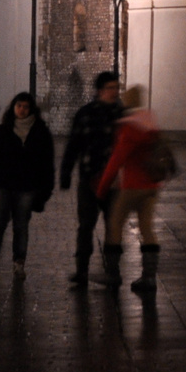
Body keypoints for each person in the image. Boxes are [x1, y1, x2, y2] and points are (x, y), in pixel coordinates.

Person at [94, 85, 166, 292]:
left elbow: (116, 160)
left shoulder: (129, 127)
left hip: (133, 185)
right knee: (147, 228)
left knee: (115, 224)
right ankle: (149, 278)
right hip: (152, 185)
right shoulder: (151, 123)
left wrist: (102, 188)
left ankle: (113, 275)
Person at [0, 92, 55, 281]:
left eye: (26, 107)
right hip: (2, 185)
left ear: (31, 109)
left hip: (26, 187)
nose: (22, 110)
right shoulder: (2, 131)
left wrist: (44, 191)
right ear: (13, 107)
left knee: (21, 227)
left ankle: (19, 264)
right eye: (19, 106)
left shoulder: (40, 132)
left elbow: (47, 164)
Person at [60, 71, 123, 286]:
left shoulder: (122, 114)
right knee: (86, 225)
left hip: (114, 182)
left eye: (117, 87)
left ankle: (113, 272)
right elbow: (73, 144)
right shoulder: (85, 114)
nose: (115, 91)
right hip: (89, 178)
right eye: (110, 87)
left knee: (113, 226)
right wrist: (66, 172)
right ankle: (82, 272)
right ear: (100, 91)